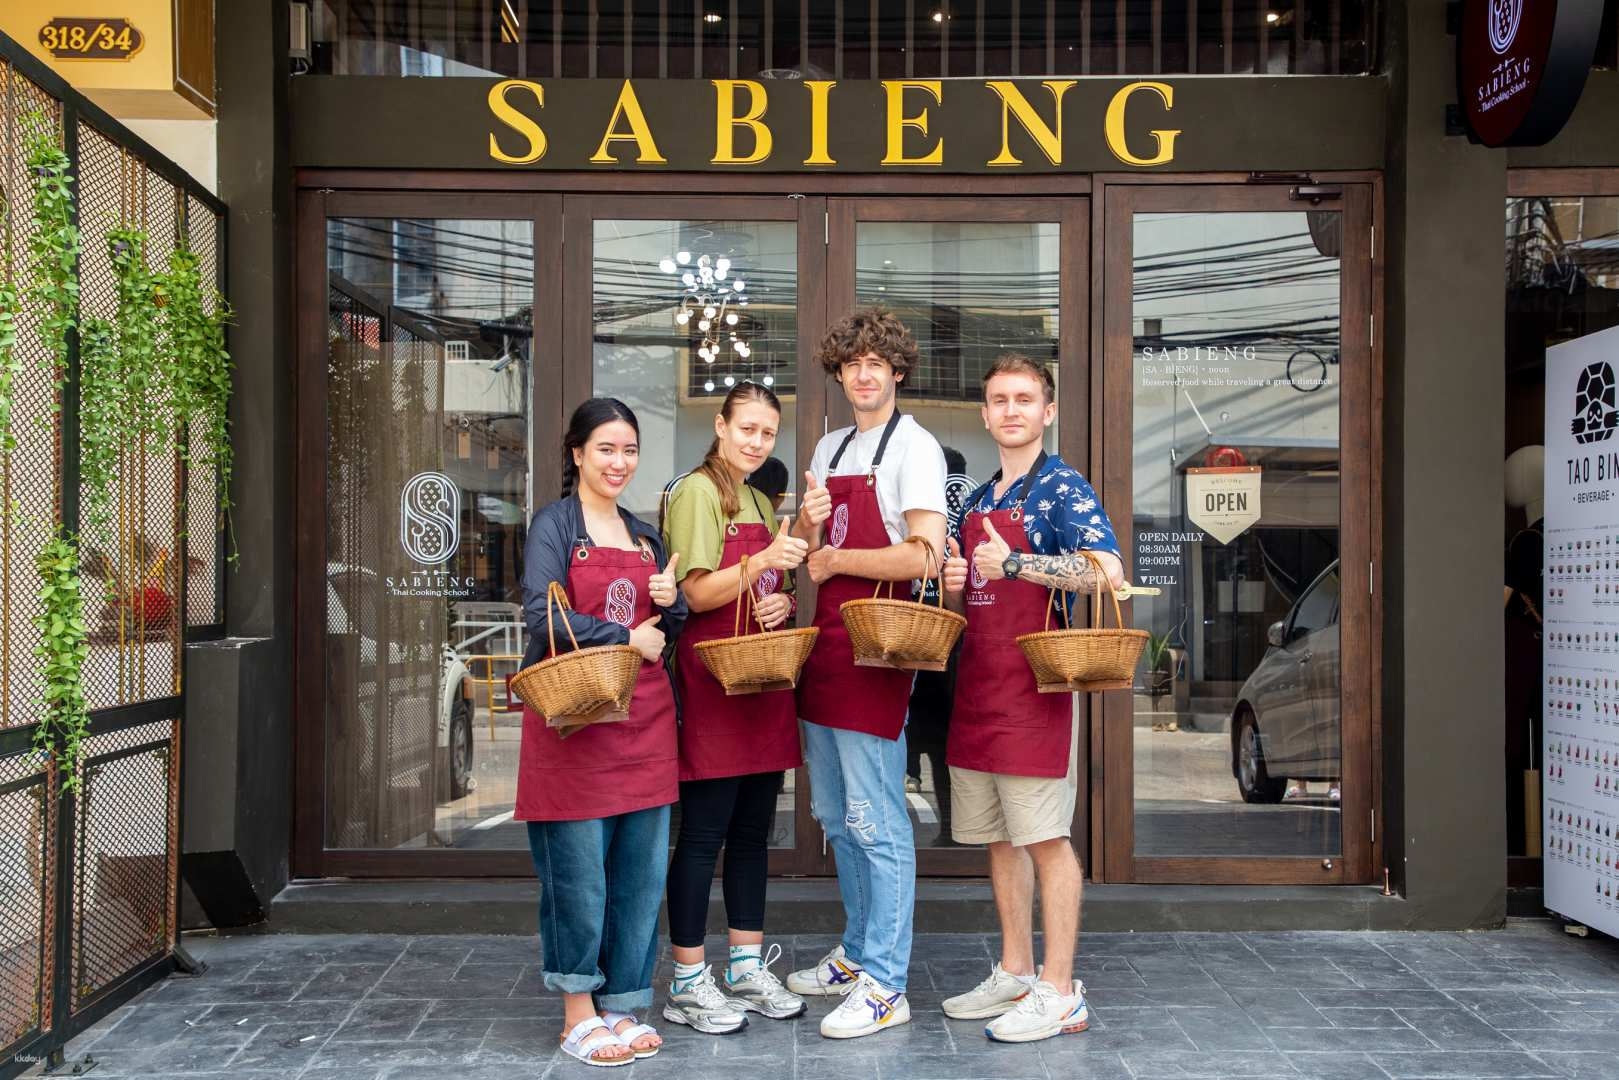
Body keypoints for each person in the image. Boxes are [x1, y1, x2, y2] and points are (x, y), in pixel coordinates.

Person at [939, 353, 1123, 1044]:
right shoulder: (979, 500)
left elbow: (1106, 570)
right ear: (984, 415)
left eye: (1024, 399)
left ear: (1046, 412)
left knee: (1045, 839)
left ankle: (1058, 989)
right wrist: (962, 576)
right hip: (979, 686)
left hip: (1034, 693)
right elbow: (975, 586)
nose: (1011, 410)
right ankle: (1015, 970)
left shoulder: (1063, 488)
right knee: (998, 841)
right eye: (998, 400)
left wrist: (1017, 563)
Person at [785, 308, 949, 1040]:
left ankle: (886, 982)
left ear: (897, 371)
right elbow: (804, 548)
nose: (863, 371)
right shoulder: (829, 443)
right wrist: (809, 523)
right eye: (851, 361)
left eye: (876, 360)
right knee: (831, 816)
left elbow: (925, 554)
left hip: (877, 651)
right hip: (825, 645)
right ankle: (855, 955)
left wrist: (837, 558)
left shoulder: (915, 448)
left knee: (876, 820)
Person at [514, 398, 687, 1067]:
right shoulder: (554, 526)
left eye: (629, 450)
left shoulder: (646, 537)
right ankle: (577, 1010)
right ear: (578, 453)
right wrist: (627, 635)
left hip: (642, 724)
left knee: (640, 877)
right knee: (578, 879)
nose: (619, 462)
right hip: (572, 729)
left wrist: (669, 612)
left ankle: (622, 1001)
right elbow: (540, 615)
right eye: (606, 449)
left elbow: (663, 637)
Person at [660, 383, 810, 1034]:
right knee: (702, 837)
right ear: (720, 427)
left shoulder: (755, 497)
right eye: (745, 428)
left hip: (762, 684)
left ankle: (744, 968)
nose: (755, 441)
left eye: (767, 433)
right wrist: (761, 565)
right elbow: (695, 595)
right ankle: (689, 980)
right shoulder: (696, 492)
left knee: (752, 834)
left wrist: (783, 601)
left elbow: (762, 586)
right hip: (715, 682)